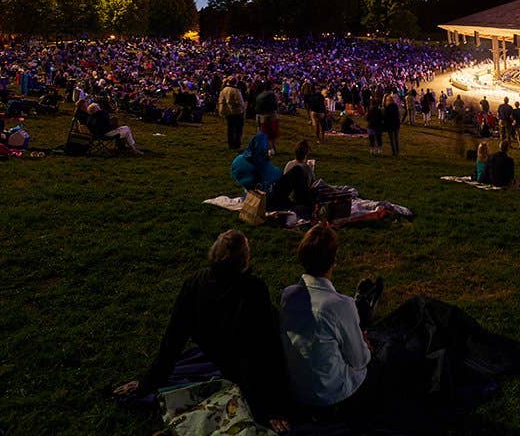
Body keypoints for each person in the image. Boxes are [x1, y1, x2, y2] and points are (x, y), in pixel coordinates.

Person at [115, 230, 290, 432]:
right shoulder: (252, 290)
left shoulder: (196, 282)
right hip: (241, 367)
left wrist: (148, 382)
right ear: (244, 258)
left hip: (216, 353)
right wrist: (274, 407)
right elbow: (266, 349)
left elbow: (173, 338)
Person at [279, 224, 373, 411]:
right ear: (333, 260)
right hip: (331, 396)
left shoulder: (288, 296)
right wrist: (365, 347)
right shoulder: (339, 305)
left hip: (298, 390)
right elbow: (359, 360)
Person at [272, 141, 316, 210]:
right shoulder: (306, 168)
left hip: (288, 197)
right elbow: (312, 184)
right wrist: (311, 170)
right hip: (298, 199)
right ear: (306, 154)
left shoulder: (290, 164)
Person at [219, 80, 246, 151]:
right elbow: (240, 102)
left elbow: (221, 101)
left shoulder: (224, 90)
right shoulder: (235, 90)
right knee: (238, 129)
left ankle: (230, 144)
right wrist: (243, 108)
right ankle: (237, 144)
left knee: (230, 128)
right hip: (236, 112)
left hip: (228, 112)